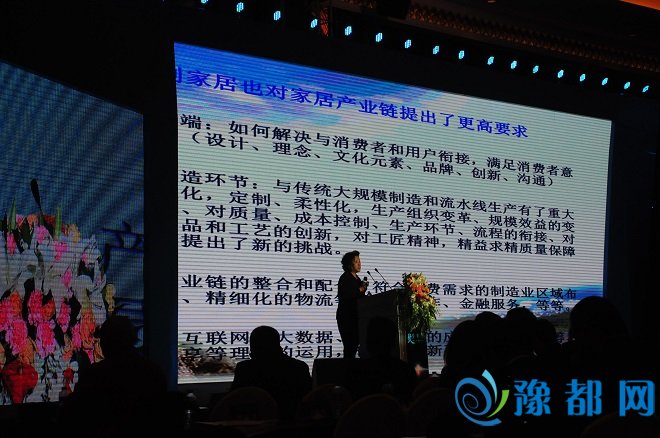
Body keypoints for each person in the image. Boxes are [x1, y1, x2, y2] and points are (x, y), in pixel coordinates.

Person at [59, 315, 167, 435]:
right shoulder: (153, 372)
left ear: (107, 343)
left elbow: (73, 413)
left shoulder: (95, 376)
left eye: (102, 340)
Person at [231, 325, 312, 420]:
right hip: (291, 423)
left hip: (254, 423)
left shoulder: (245, 368)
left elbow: (233, 399)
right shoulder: (299, 367)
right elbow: (308, 400)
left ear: (254, 347)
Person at [336, 250, 368, 358]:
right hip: (347, 318)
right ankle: (348, 367)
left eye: (360, 261)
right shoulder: (345, 277)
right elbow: (347, 295)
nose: (359, 264)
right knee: (350, 347)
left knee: (355, 346)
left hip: (357, 317)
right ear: (349, 264)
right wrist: (360, 290)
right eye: (356, 261)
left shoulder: (357, 279)